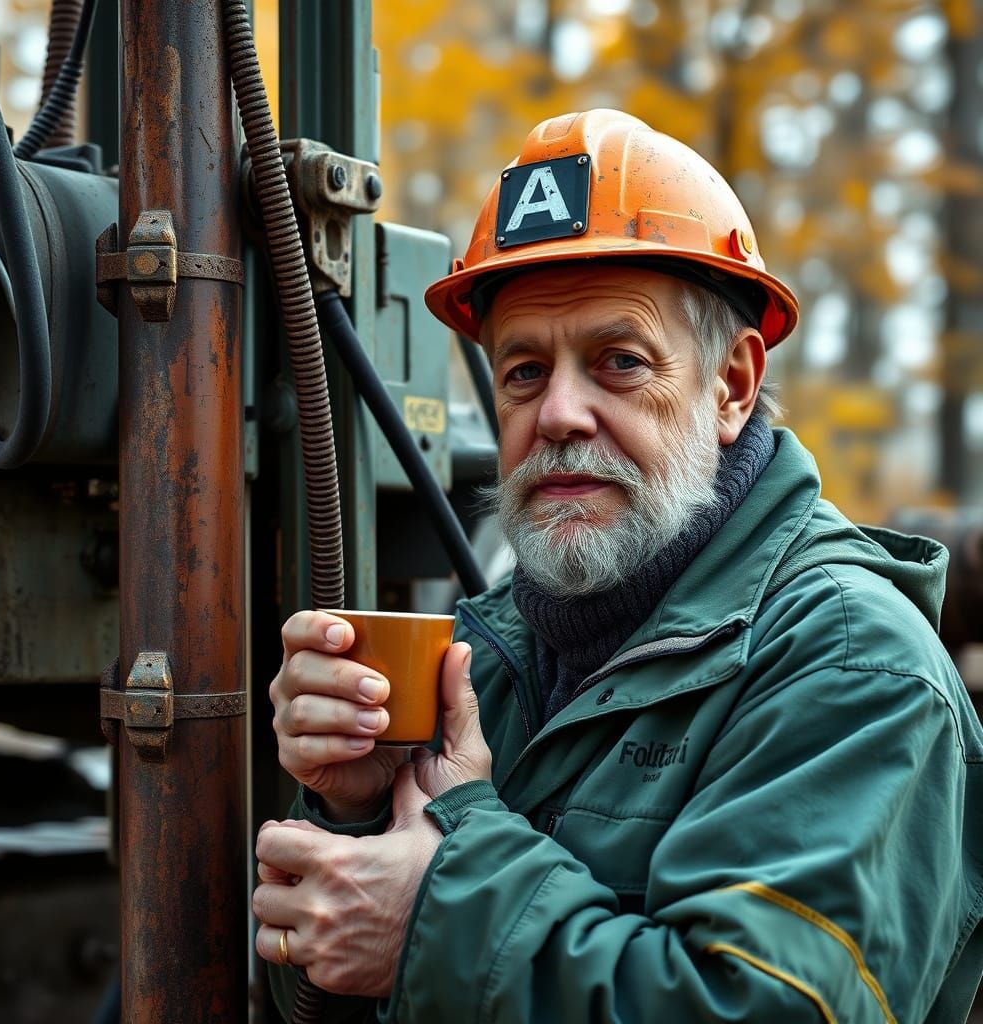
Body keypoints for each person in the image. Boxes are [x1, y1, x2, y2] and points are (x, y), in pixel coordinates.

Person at [252, 109, 983, 1023]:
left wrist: (437, 906)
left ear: (732, 386)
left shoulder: (850, 663)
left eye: (619, 361)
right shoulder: (488, 650)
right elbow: (315, 984)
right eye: (523, 371)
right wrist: (354, 814)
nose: (558, 413)